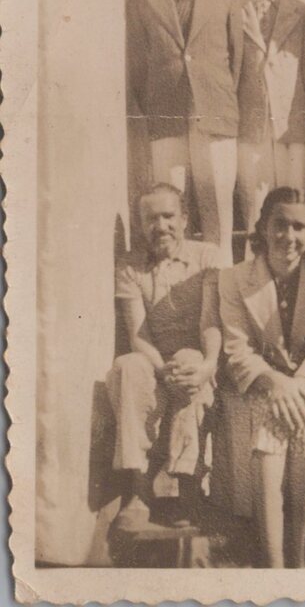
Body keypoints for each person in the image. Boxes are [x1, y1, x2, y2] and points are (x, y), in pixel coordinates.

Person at [218, 187, 305, 567]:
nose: (289, 236)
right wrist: (275, 383)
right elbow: (237, 348)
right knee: (270, 428)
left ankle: (300, 559)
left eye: (299, 227)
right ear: (263, 227)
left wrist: (299, 385)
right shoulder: (234, 278)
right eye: (280, 225)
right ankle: (274, 563)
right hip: (260, 383)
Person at [126, 0, 242, 266]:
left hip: (215, 121)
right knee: (170, 214)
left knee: (218, 219)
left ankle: (220, 291)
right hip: (167, 124)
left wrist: (218, 101)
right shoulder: (141, 4)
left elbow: (237, 64)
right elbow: (136, 70)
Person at [107, 183, 222, 530]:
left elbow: (210, 321)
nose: (161, 226)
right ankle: (138, 490)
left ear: (184, 218)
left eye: (168, 216)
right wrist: (162, 371)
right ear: (141, 224)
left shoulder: (207, 257)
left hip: (198, 354)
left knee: (189, 361)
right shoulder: (130, 267)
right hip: (154, 357)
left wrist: (208, 365)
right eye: (151, 219)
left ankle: (187, 488)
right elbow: (138, 335)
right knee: (127, 366)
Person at [235, 0, 305, 239]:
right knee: (255, 213)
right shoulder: (231, 8)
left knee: (296, 209)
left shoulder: (300, 11)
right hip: (250, 126)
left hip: (292, 126)